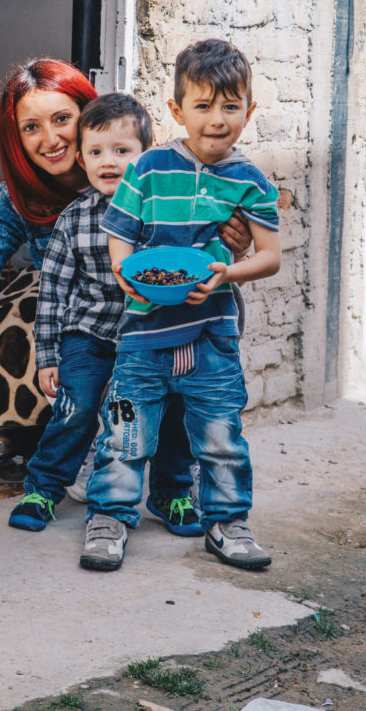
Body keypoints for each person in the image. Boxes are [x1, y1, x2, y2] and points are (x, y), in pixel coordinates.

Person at [0, 58, 209, 514]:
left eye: (62, 119)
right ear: (15, 139)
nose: (50, 138)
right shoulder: (15, 201)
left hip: (154, 323)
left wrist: (234, 235)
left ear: (88, 116)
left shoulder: (154, 178)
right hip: (87, 324)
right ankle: (85, 446)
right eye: (30, 127)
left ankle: (175, 467)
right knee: (48, 327)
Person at [79, 38, 281, 573]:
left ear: (249, 111)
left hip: (212, 334)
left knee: (221, 437)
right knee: (125, 433)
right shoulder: (148, 168)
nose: (218, 119)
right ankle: (109, 519)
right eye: (203, 106)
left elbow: (269, 257)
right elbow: (119, 235)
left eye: (230, 106)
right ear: (177, 110)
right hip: (144, 335)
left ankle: (228, 523)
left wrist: (226, 272)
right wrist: (128, 276)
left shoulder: (252, 183)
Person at [8, 93, 203, 535]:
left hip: (155, 336)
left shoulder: (164, 214)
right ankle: (43, 488)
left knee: (177, 408)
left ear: (146, 156)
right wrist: (48, 356)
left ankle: (172, 493)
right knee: (75, 407)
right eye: (96, 152)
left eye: (122, 151)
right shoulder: (75, 219)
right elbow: (54, 292)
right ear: (81, 157)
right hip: (90, 334)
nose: (108, 162)